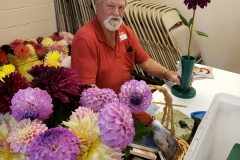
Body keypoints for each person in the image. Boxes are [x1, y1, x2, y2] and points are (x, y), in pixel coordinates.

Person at [71, 0, 183, 94]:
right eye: (110, 6)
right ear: (97, 5)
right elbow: (88, 89)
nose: (116, 13)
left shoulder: (126, 32)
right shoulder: (85, 39)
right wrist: (117, 107)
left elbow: (146, 62)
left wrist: (168, 74)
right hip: (101, 110)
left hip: (127, 99)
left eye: (121, 7)